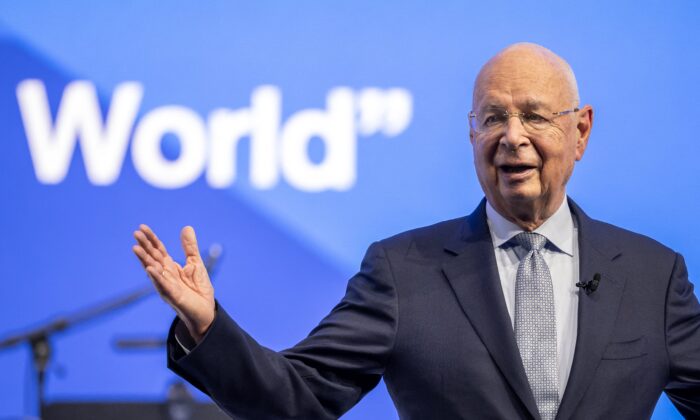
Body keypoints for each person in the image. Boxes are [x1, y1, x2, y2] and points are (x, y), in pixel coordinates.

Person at [132, 43, 700, 419]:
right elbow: (294, 397)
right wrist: (206, 324)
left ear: (581, 131)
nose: (512, 136)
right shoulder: (404, 272)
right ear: (471, 134)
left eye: (534, 115)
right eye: (493, 118)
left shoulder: (653, 276)